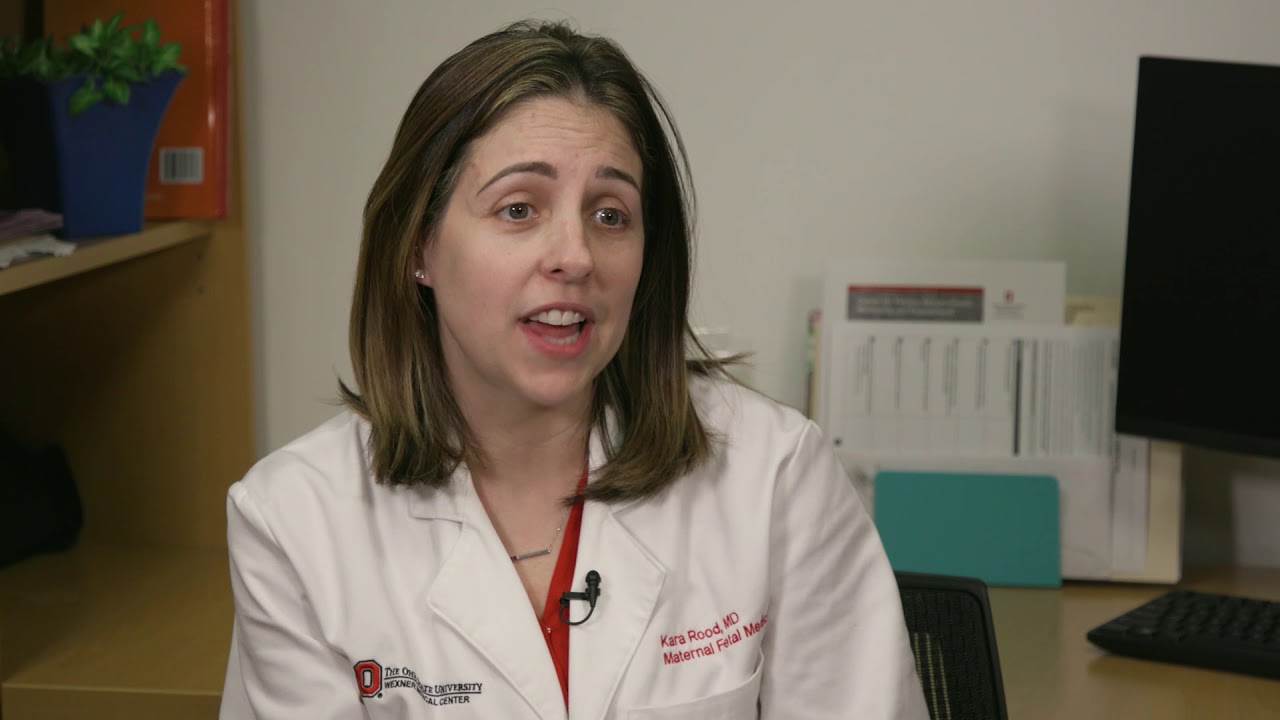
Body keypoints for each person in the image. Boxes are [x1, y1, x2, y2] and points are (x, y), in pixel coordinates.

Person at [219, 19, 927, 720]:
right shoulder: (294, 524)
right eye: (518, 208)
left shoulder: (773, 476)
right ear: (419, 247)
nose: (576, 256)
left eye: (611, 215)